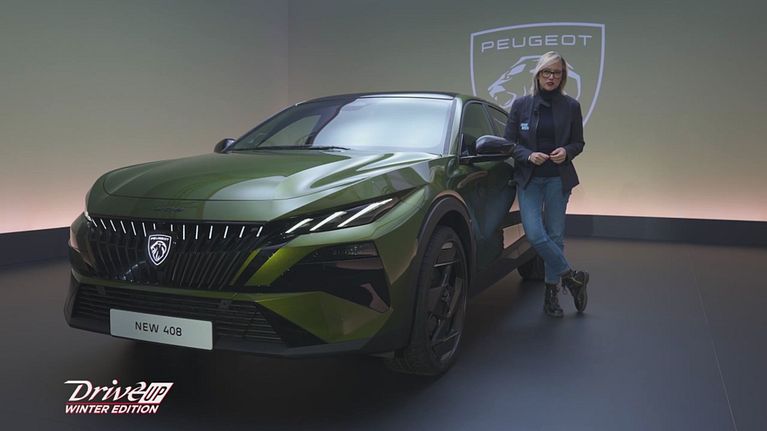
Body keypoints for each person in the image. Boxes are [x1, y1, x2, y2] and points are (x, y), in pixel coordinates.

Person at [503, 51, 590, 317]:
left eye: (557, 73)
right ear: (538, 74)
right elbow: (509, 144)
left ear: (563, 77)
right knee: (534, 234)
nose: (551, 77)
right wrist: (528, 155)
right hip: (529, 179)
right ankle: (572, 277)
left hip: (558, 179)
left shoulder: (571, 106)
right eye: (546, 72)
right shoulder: (521, 105)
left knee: (555, 236)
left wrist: (567, 151)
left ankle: (551, 295)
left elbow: (578, 143)